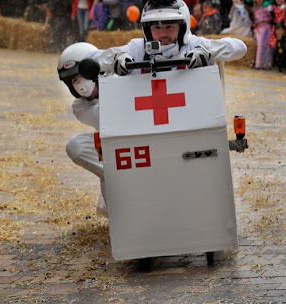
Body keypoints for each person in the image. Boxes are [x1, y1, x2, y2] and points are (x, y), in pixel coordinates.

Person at [89, 0, 247, 74]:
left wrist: (207, 51)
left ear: (183, 27)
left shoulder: (194, 44)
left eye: (169, 27)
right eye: (157, 27)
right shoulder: (137, 48)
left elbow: (240, 47)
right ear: (147, 30)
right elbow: (91, 59)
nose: (163, 33)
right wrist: (115, 58)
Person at [57, 42, 107, 216]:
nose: (79, 84)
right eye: (73, 81)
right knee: (76, 145)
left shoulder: (122, 80)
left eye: (81, 75)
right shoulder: (80, 107)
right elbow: (106, 115)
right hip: (113, 151)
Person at [253, 0, 274, 69]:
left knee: (264, 44)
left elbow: (271, 15)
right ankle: (258, 63)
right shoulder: (256, 7)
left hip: (266, 28)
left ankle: (265, 64)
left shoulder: (268, 6)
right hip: (258, 28)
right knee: (258, 44)